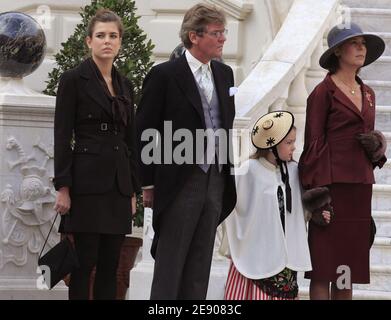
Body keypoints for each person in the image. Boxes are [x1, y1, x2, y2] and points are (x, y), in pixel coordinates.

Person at [136, 3, 237, 299]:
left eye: (223, 32)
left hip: (216, 178)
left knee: (200, 263)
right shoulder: (165, 74)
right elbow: (146, 130)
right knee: (171, 263)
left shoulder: (225, 74)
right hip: (179, 179)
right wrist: (148, 183)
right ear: (194, 36)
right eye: (216, 33)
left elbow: (225, 122)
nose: (223, 39)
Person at [53, 9, 140, 300]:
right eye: (101, 36)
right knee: (85, 262)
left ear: (119, 42)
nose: (107, 41)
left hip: (118, 185)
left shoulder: (125, 84)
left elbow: (131, 140)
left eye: (113, 36)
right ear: (89, 41)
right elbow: (62, 136)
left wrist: (132, 191)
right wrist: (63, 187)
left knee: (110, 264)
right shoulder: (73, 79)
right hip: (86, 184)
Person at [298, 23, 387, 300]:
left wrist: (377, 146)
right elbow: (313, 144)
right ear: (338, 51)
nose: (361, 48)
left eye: (363, 44)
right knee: (324, 269)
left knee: (347, 268)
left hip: (359, 187)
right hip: (330, 188)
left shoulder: (369, 94)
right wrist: (317, 197)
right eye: (354, 43)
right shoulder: (322, 93)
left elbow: (364, 139)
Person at [224, 111, 317, 300]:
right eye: (289, 143)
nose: (294, 147)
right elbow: (231, 208)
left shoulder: (294, 171)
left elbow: (303, 209)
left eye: (294, 141)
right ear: (272, 145)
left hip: (286, 257)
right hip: (255, 254)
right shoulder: (249, 171)